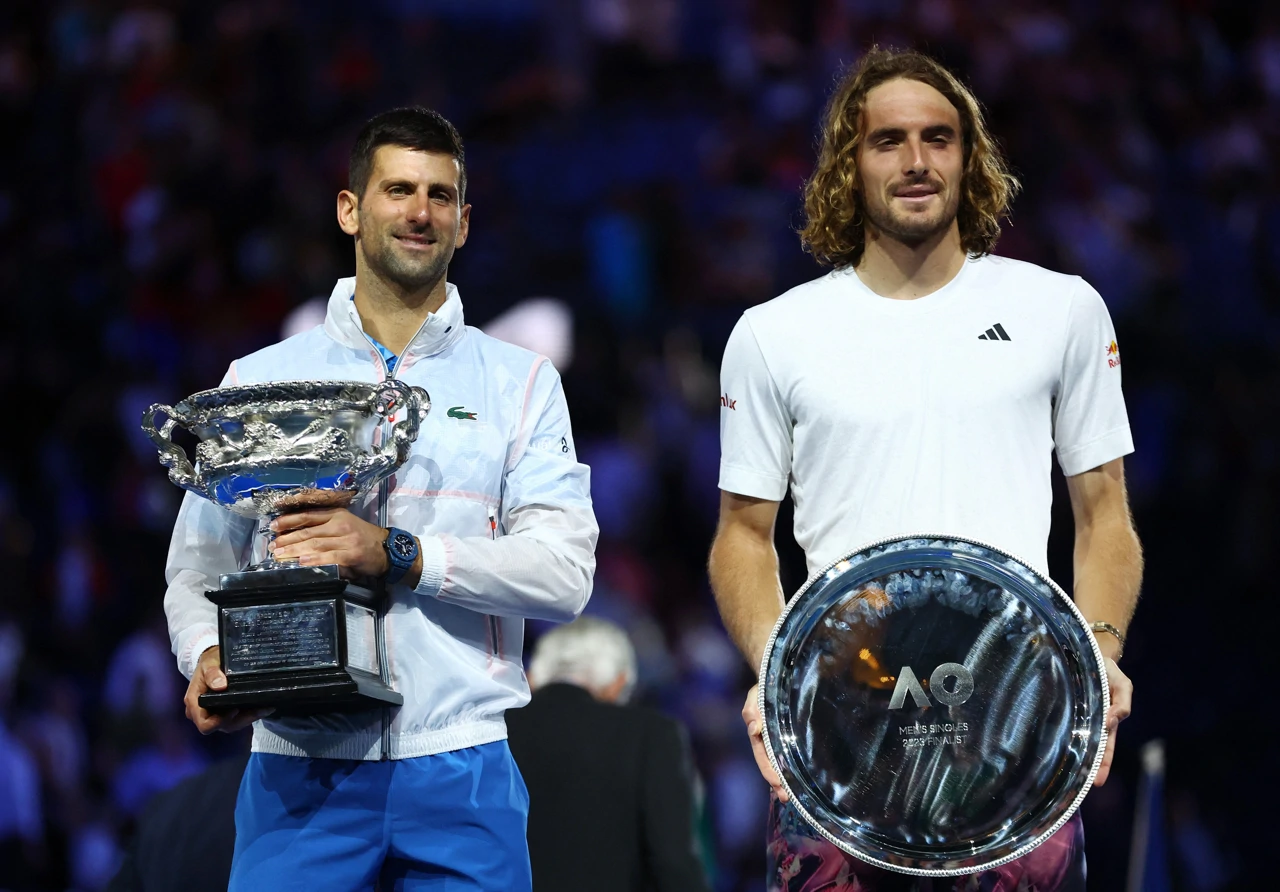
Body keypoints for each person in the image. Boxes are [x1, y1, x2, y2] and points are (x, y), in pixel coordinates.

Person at [707, 48, 1142, 891]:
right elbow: (743, 536)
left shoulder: (1062, 309)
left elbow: (1104, 516)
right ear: (850, 164)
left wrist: (1099, 653)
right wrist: (775, 670)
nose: (916, 160)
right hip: (840, 731)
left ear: (968, 158)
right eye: (889, 141)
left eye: (938, 138)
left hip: (1017, 723)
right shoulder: (773, 334)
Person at [163, 106, 598, 891]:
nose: (420, 212)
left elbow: (564, 574)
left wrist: (398, 554)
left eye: (440, 195)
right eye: (398, 190)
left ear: (464, 223)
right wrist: (208, 656)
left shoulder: (522, 382)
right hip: (299, 769)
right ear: (349, 209)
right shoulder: (260, 378)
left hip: (462, 764)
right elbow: (196, 566)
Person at [505, 617, 711, 892]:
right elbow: (674, 861)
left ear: (531, 676)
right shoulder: (651, 735)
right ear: (618, 684)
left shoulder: (497, 729)